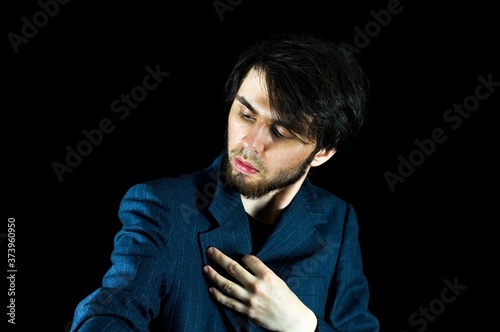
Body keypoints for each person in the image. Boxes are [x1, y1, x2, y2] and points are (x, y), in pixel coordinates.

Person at [70, 32, 380, 332]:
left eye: (281, 132)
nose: (251, 143)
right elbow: (111, 311)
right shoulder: (163, 205)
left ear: (322, 153)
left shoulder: (338, 219)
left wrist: (302, 326)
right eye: (246, 114)